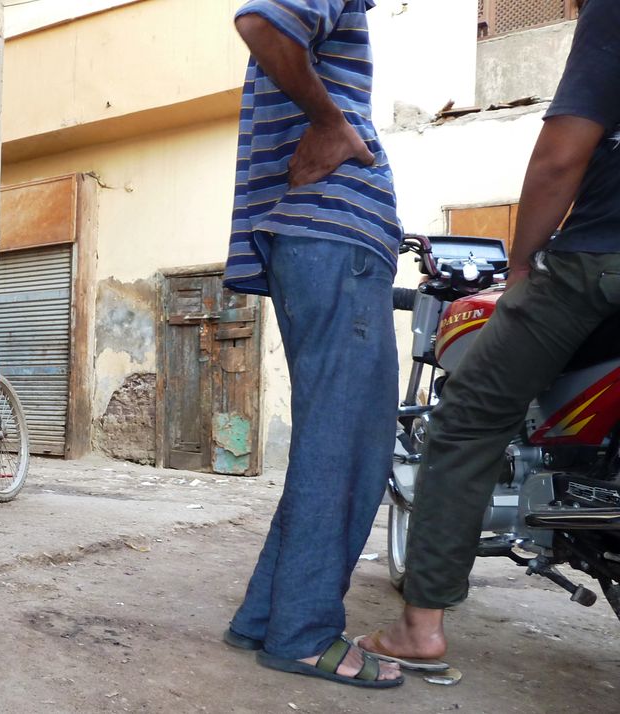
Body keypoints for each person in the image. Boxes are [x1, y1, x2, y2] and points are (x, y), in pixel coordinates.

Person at [360, 0, 620, 666]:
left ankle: (421, 629)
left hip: (599, 260)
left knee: (467, 419)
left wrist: (526, 259)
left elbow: (561, 156)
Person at [221, 0, 403, 689]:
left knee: (330, 439)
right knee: (349, 445)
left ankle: (268, 617)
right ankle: (304, 632)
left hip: (319, 243)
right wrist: (332, 123)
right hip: (334, 241)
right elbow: (263, 21)